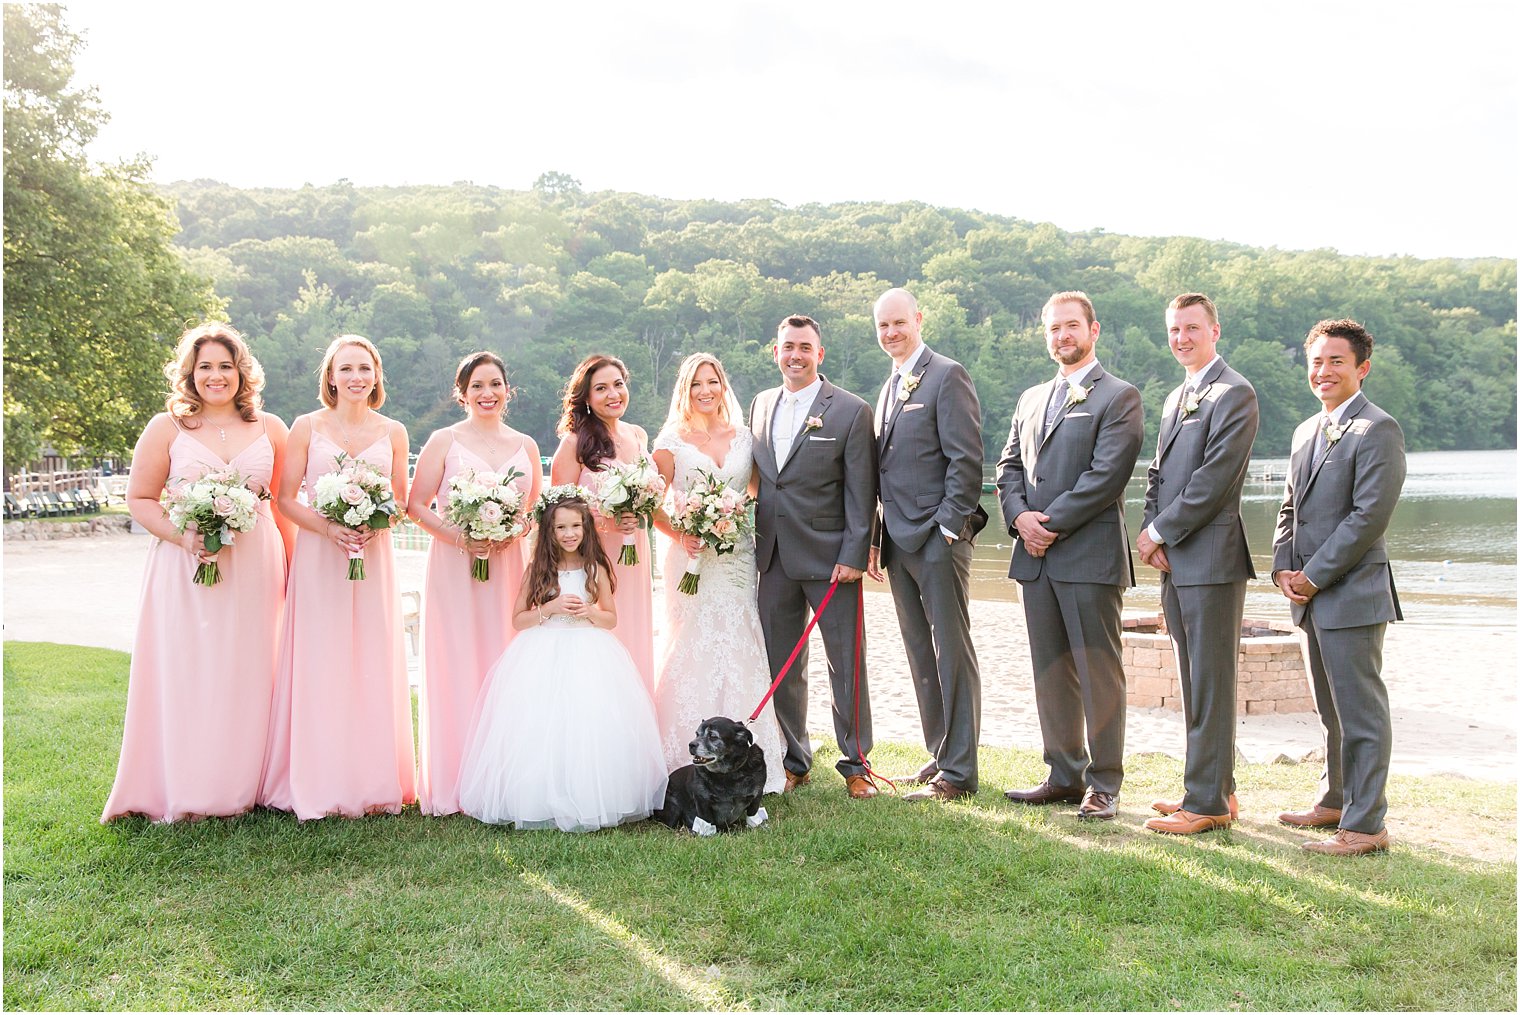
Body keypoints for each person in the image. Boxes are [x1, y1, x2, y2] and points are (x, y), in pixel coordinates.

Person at [103, 323, 293, 822]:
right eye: (205, 366)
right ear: (190, 373)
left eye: (225, 366)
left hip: (257, 566)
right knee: (192, 669)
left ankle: (249, 784)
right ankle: (190, 784)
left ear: (241, 372)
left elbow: (284, 508)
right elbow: (140, 500)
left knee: (252, 670)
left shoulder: (272, 428)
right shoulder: (166, 428)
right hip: (186, 567)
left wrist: (296, 575)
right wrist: (185, 537)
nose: (216, 376)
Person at [997, 291, 1143, 821]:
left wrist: (1048, 525)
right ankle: (1063, 773)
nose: (1062, 336)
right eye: (1053, 329)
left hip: (1088, 557)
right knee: (1050, 670)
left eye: (1071, 327)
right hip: (1034, 561)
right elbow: (1008, 467)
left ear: (1093, 330)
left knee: (1098, 671)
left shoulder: (1119, 397)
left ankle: (1103, 783)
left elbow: (1105, 478)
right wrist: (1018, 518)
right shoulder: (1031, 398)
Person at [259, 335, 416, 819]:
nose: (355, 378)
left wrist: (373, 526)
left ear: (377, 375)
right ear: (330, 376)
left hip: (371, 559)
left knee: (369, 658)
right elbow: (285, 499)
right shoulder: (306, 427)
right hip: (320, 557)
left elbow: (402, 505)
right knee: (321, 659)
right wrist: (330, 529)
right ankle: (316, 778)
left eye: (364, 369)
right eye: (345, 369)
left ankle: (369, 780)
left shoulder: (394, 431)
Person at [457, 488, 667, 831]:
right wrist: (550, 608)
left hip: (589, 650)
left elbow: (610, 618)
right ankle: (539, 797)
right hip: (543, 648)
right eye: (560, 528)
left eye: (576, 526)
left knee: (588, 722)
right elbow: (518, 619)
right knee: (542, 724)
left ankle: (589, 795)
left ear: (586, 528)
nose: (569, 534)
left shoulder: (595, 568)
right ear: (549, 532)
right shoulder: (538, 569)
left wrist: (589, 611)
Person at [1272, 318, 1405, 855]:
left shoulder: (1379, 430)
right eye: (1317, 362)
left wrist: (1315, 575)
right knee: (1331, 711)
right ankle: (1335, 799)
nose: (1323, 372)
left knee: (1361, 712)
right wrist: (1284, 565)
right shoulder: (1307, 430)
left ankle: (1367, 826)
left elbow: (1368, 517)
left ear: (1362, 368)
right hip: (1307, 596)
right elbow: (1289, 507)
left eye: (1336, 362)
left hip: (1351, 593)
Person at [1135, 294, 1259, 835]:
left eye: (1191, 328)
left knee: (1210, 681)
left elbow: (1214, 479)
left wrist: (1160, 529)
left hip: (1211, 559)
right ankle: (1215, 789)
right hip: (1174, 560)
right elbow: (1159, 475)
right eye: (1173, 329)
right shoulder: (1175, 397)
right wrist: (1150, 532)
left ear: (1214, 330)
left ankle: (1205, 803)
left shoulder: (1235, 393)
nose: (1181, 338)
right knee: (1193, 680)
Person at [406, 351, 541, 816]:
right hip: (453, 566)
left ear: (508, 390)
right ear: (461, 393)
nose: (487, 393)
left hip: (506, 566)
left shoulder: (525, 445)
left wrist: (511, 533)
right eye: (477, 385)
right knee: (457, 661)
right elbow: (417, 504)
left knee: (506, 660)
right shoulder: (443, 440)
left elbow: (532, 513)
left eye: (496, 384)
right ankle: (453, 781)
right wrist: (461, 536)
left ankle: (503, 777)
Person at [749, 314, 878, 798]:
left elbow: (862, 491)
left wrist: (854, 552)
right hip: (774, 558)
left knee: (847, 664)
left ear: (819, 354)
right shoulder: (761, 405)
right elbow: (764, 479)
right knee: (781, 664)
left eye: (805, 347)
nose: (795, 355)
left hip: (831, 560)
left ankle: (857, 763)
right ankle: (794, 759)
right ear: (775, 351)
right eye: (788, 346)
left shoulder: (849, 410)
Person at [868, 288, 987, 802]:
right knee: (920, 652)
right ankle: (941, 752)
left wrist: (946, 526)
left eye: (899, 322)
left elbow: (966, 460)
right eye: (883, 327)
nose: (891, 333)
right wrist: (877, 538)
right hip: (897, 542)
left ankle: (959, 773)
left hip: (938, 539)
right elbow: (885, 471)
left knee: (951, 651)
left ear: (918, 319)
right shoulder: (888, 386)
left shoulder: (946, 375)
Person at [651, 353, 786, 795]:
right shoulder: (671, 442)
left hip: (736, 558)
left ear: (723, 386)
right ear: (684, 391)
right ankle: (677, 755)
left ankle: (744, 755)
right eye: (696, 384)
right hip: (692, 560)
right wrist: (682, 535)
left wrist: (732, 519)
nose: (705, 391)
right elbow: (652, 503)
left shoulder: (744, 437)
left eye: (713, 382)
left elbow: (757, 493)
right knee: (691, 639)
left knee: (741, 637)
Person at [550, 355, 656, 698]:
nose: (613, 394)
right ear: (586, 398)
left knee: (633, 630)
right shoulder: (574, 442)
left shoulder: (637, 435)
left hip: (634, 552)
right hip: (593, 558)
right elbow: (557, 509)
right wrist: (605, 520)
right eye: (601, 388)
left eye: (618, 384)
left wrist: (641, 511)